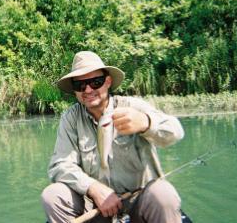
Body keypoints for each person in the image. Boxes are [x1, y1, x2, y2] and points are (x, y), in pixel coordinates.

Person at [41, 51, 185, 223]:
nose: (88, 89)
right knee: (53, 195)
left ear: (108, 82)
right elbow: (60, 165)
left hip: (137, 201)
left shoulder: (132, 107)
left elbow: (175, 131)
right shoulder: (71, 118)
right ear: (75, 90)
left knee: (163, 193)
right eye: (80, 85)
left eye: (96, 82)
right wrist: (93, 188)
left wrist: (146, 123)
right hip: (96, 206)